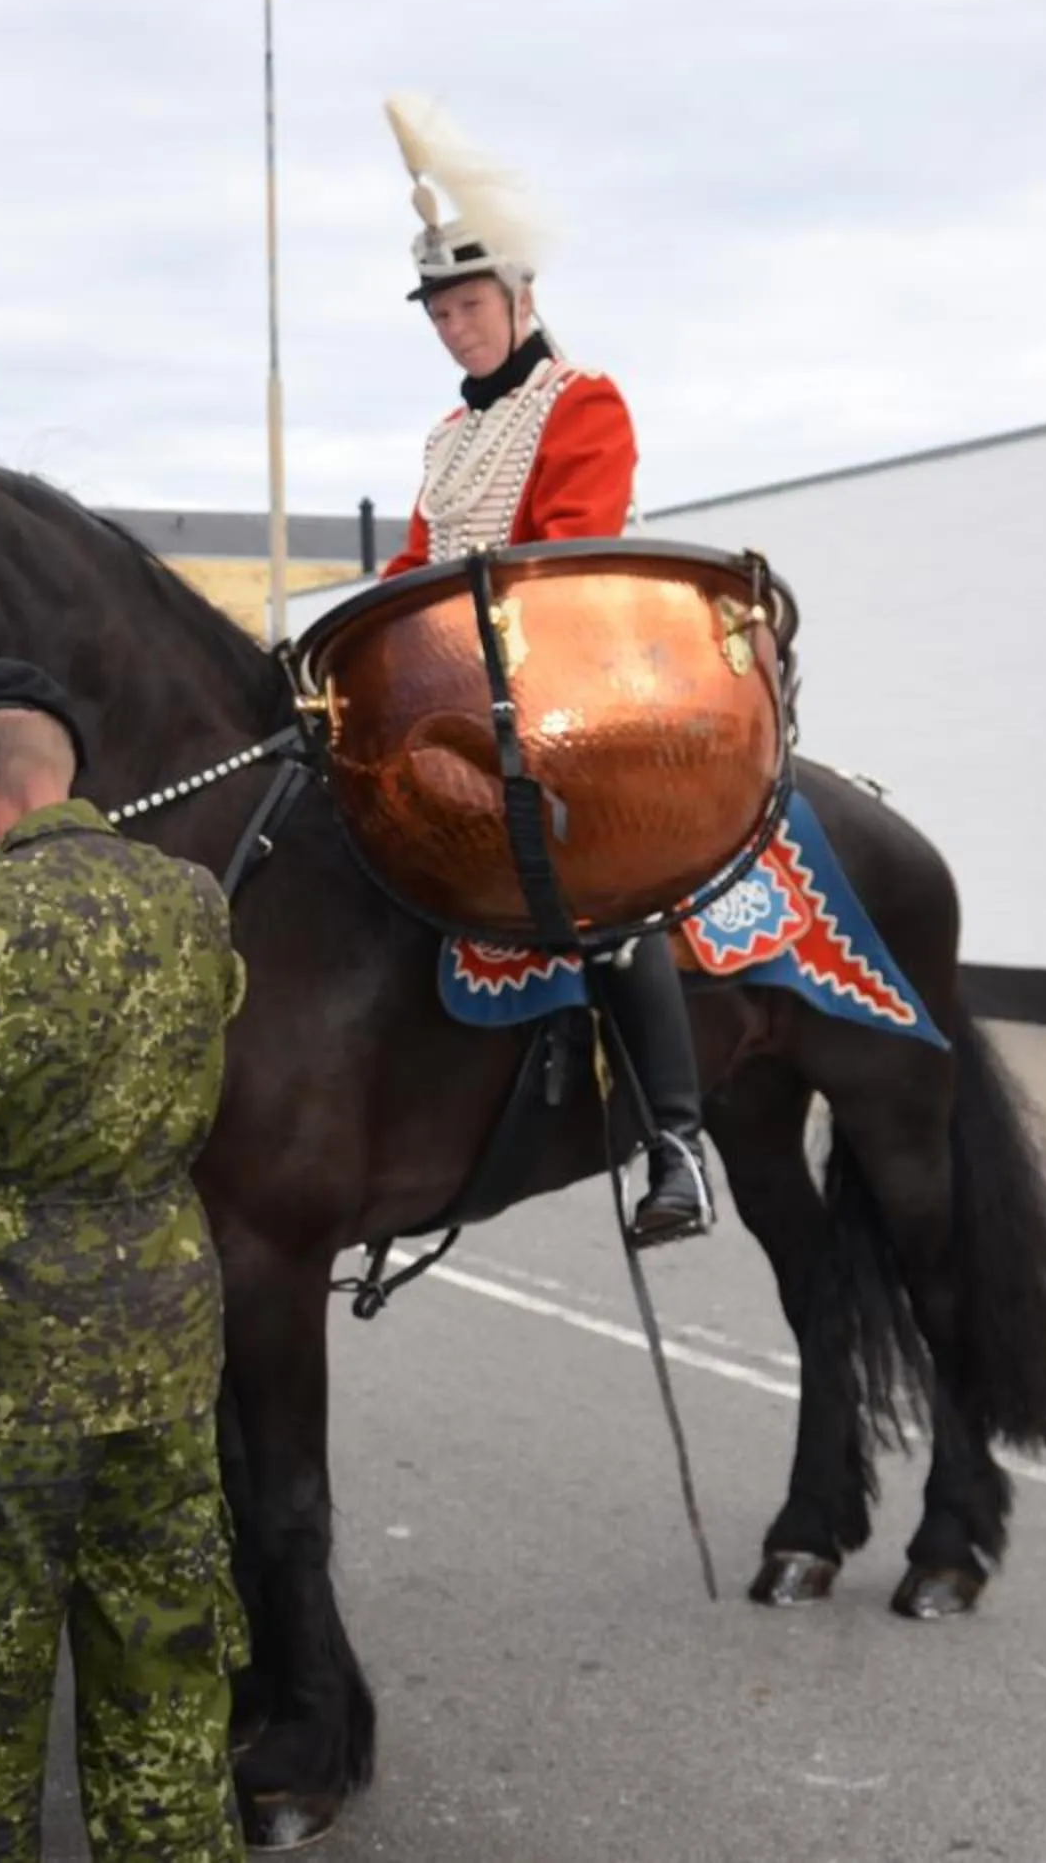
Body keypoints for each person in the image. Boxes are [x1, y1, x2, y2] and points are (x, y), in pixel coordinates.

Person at [0, 658, 250, 1861]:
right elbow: (210, 1022)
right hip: (167, 1344)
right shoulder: (193, 899)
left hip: (0, 1368)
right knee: (168, 1671)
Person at [374, 91, 712, 1250]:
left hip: (572, 680)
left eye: (467, 305)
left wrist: (452, 625)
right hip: (457, 696)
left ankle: (676, 1140)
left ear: (519, 299)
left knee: (599, 879)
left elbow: (569, 553)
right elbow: (414, 563)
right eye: (438, 314)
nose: (453, 327)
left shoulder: (584, 401)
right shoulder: (446, 438)